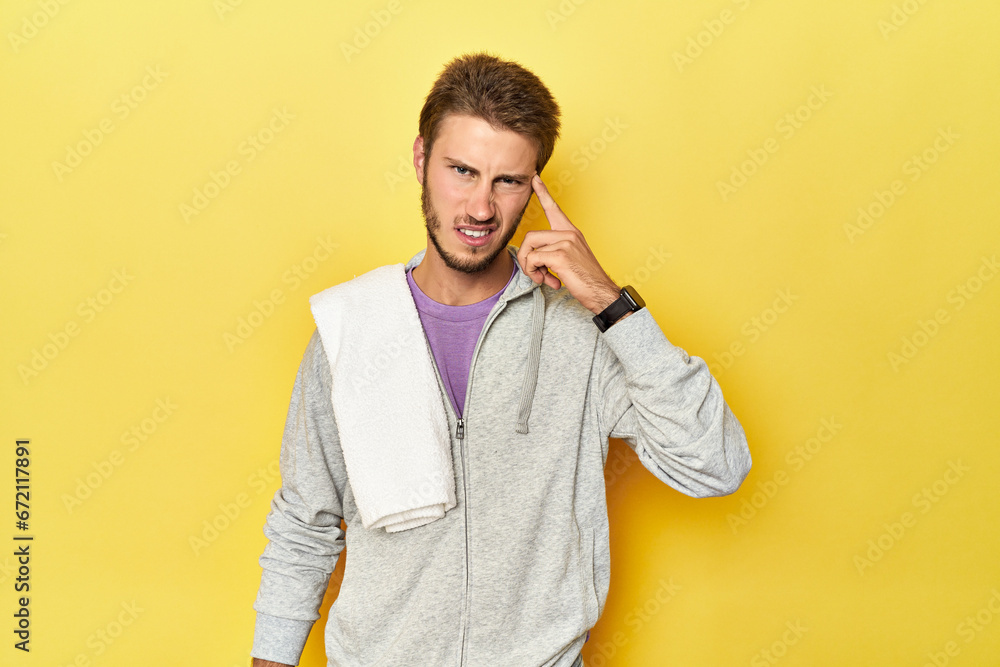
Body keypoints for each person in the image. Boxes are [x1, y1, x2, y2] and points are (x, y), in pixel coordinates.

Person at [250, 52, 752, 667]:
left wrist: (608, 301)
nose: (480, 208)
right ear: (421, 160)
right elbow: (304, 523)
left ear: (534, 185)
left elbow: (716, 465)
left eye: (508, 181)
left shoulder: (582, 333)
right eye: (462, 170)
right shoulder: (352, 327)